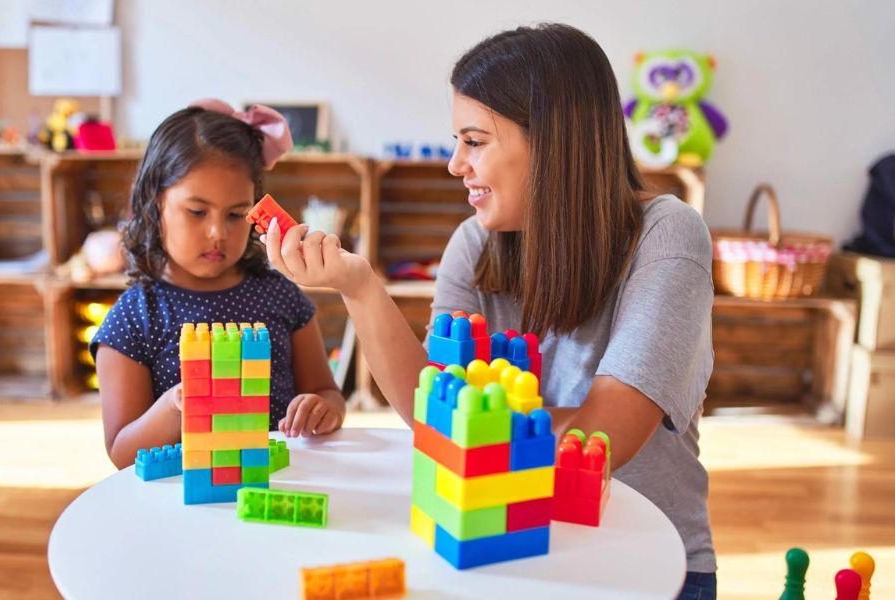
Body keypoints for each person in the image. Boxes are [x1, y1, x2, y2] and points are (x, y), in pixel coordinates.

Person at [263, 24, 716, 599]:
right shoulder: (476, 242)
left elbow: (600, 441)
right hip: (504, 551)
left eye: (474, 141)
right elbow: (433, 412)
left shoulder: (668, 234)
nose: (456, 164)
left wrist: (472, 430)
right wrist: (360, 287)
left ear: (553, 143)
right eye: (457, 140)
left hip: (645, 563)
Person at [92, 99, 346, 470]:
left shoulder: (281, 295)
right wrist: (175, 404)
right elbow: (121, 453)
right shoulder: (133, 318)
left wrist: (323, 409)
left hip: (280, 485)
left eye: (235, 215)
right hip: (185, 500)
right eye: (197, 212)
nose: (217, 233)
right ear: (154, 202)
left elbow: (328, 394)